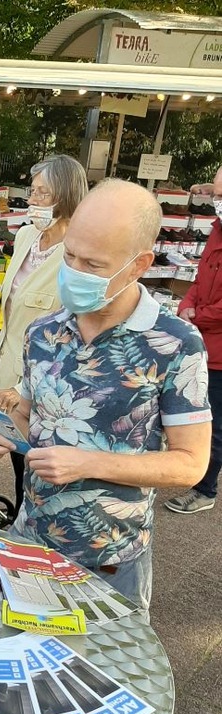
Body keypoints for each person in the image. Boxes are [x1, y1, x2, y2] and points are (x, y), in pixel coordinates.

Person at [0, 178, 211, 714]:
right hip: (31, 542)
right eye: (70, 254)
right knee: (27, 661)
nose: (72, 272)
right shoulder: (47, 329)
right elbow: (33, 417)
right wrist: (4, 431)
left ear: (140, 263)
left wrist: (91, 462)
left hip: (114, 555)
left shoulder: (176, 344)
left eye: (90, 263)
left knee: (113, 681)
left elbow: (193, 465)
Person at [0, 155, 88, 510]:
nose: (34, 201)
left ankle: (33, 528)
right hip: (8, 371)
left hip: (43, 382)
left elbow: (73, 328)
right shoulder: (25, 236)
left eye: (44, 193)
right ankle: (23, 520)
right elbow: (16, 306)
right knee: (16, 454)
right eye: (33, 191)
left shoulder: (78, 252)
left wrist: (25, 385)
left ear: (66, 196)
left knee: (39, 460)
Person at [164, 163, 222, 514]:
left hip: (218, 349)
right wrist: (186, 305)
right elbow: (200, 280)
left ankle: (205, 488)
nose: (218, 202)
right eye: (217, 194)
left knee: (214, 423)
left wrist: (196, 315)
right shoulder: (216, 229)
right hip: (202, 339)